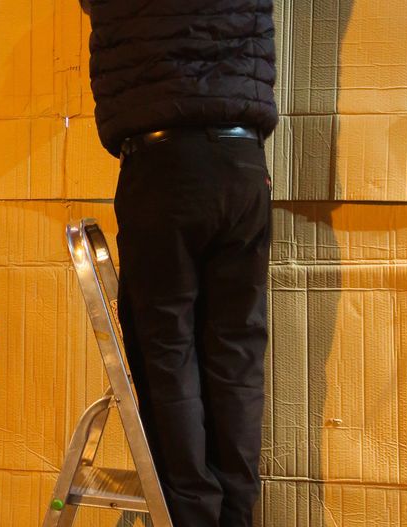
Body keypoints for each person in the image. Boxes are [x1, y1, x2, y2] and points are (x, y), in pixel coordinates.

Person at [80, 1, 278, 526]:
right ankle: (235, 514)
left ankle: (193, 514)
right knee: (236, 352)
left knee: (166, 349)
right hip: (243, 162)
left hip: (163, 163)